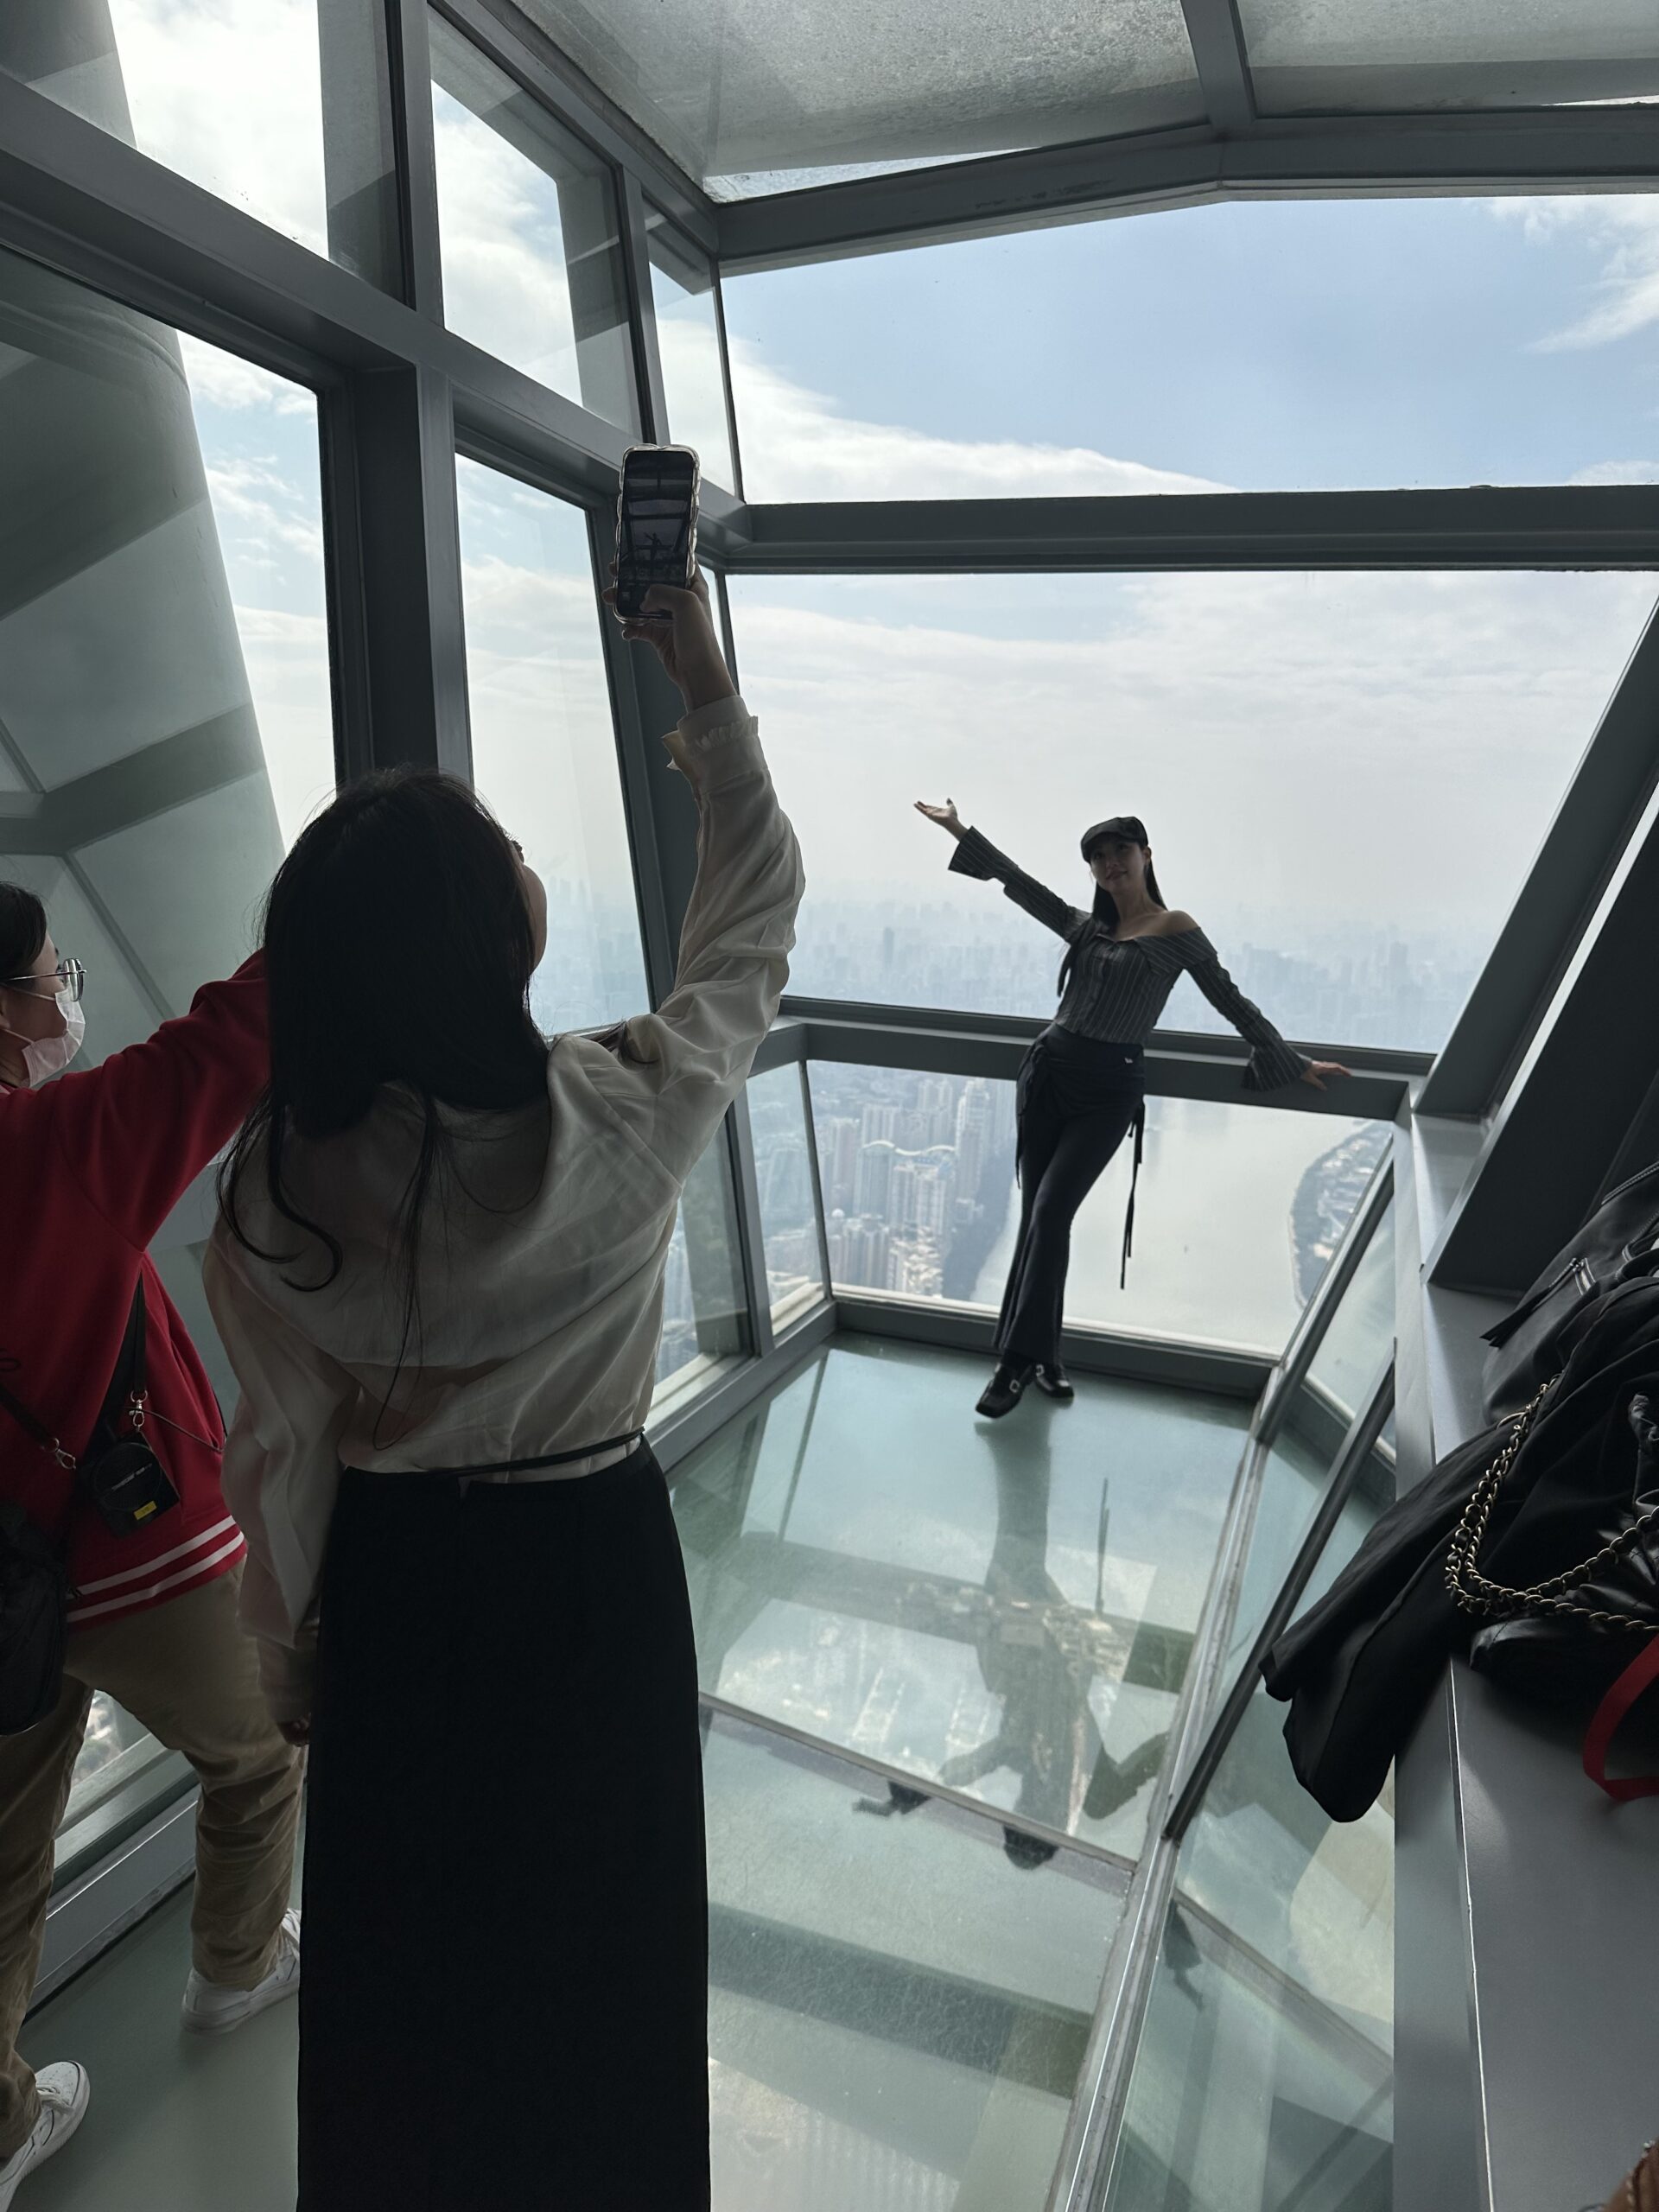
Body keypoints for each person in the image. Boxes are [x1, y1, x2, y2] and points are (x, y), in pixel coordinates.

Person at [203, 570, 804, 2211]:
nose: (534, 865)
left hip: (400, 1590)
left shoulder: (279, 1190)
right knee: (604, 1953)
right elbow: (751, 920)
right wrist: (704, 683)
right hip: (594, 1567)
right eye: (513, 857)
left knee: (406, 1973)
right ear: (492, 939)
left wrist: (295, 1658)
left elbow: (282, 1460)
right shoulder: (625, 1116)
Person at [0, 888, 303, 2211]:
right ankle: (235, 1970)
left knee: (3, 1859)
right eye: (51, 977)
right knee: (264, 1750)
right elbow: (231, 1041)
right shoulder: (53, 1148)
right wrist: (342, 888)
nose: (68, 996)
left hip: (0, 1595)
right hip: (132, 1558)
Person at [914, 803, 1347, 1417]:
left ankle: (1013, 1364)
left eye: (1120, 850)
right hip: (1047, 1077)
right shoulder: (1087, 928)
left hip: (1109, 1092)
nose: (1109, 863)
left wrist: (1291, 1061)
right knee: (1041, 1221)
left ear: (1146, 856)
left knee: (1050, 1211)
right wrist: (959, 830)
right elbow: (1020, 883)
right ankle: (1044, 1358)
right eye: (1097, 857)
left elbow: (1229, 998)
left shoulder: (1176, 929)